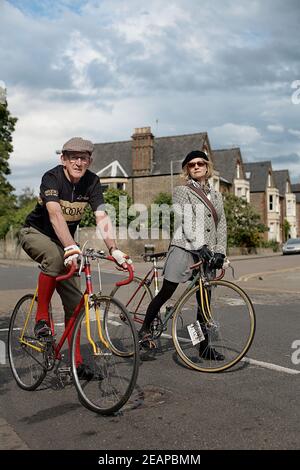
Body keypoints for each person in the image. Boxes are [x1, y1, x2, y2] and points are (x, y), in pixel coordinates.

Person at [19, 137, 131, 379]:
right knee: (55, 258)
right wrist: (71, 246)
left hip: (64, 243)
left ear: (90, 160)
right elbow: (55, 214)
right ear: (63, 159)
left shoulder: (92, 182)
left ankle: (76, 363)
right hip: (35, 233)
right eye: (73, 157)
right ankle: (41, 319)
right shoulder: (52, 177)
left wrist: (114, 249)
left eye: (84, 158)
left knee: (76, 305)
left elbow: (102, 217)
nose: (79, 162)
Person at [139, 150, 227, 360]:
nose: (196, 167)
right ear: (186, 169)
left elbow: (221, 224)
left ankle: (203, 347)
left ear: (207, 167)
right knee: (167, 292)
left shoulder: (216, 195)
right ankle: (144, 329)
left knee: (203, 302)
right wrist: (200, 245)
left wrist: (220, 252)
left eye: (200, 163)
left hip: (208, 254)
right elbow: (185, 220)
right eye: (191, 165)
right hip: (184, 248)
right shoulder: (181, 191)